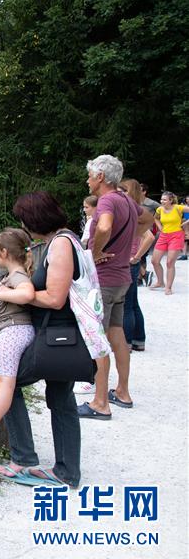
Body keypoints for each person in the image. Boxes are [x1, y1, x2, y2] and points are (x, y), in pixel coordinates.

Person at [0, 191, 82, 487]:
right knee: (61, 398)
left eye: (24, 219)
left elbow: (56, 298)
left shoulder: (60, 244)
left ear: (35, 218)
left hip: (57, 334)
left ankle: (23, 456)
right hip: (63, 336)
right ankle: (66, 471)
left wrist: (15, 295)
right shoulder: (64, 239)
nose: (24, 225)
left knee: (6, 383)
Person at [79, 155, 145, 419]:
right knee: (117, 334)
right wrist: (125, 244)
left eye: (90, 175)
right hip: (122, 279)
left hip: (105, 279)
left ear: (101, 177)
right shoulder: (127, 199)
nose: (88, 180)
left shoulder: (107, 200)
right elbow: (149, 221)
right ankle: (123, 392)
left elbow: (104, 226)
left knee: (98, 337)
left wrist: (96, 252)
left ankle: (100, 402)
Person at [0, 228, 35, 427]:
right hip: (14, 331)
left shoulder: (18, 276)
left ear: (3, 253)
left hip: (14, 331)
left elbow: (27, 294)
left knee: (4, 383)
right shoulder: (14, 275)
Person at [120, 179, 155, 352]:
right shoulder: (137, 210)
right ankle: (138, 339)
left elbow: (149, 237)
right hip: (131, 262)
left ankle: (126, 343)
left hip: (127, 262)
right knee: (133, 303)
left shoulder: (131, 211)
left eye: (121, 190)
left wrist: (136, 256)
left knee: (127, 305)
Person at [150, 191, 186, 295]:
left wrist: (185, 223)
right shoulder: (160, 209)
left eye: (164, 199)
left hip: (176, 236)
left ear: (171, 201)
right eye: (161, 199)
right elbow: (155, 218)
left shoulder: (178, 208)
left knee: (170, 262)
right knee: (154, 261)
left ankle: (168, 287)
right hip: (163, 236)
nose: (162, 201)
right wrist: (160, 227)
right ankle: (160, 282)